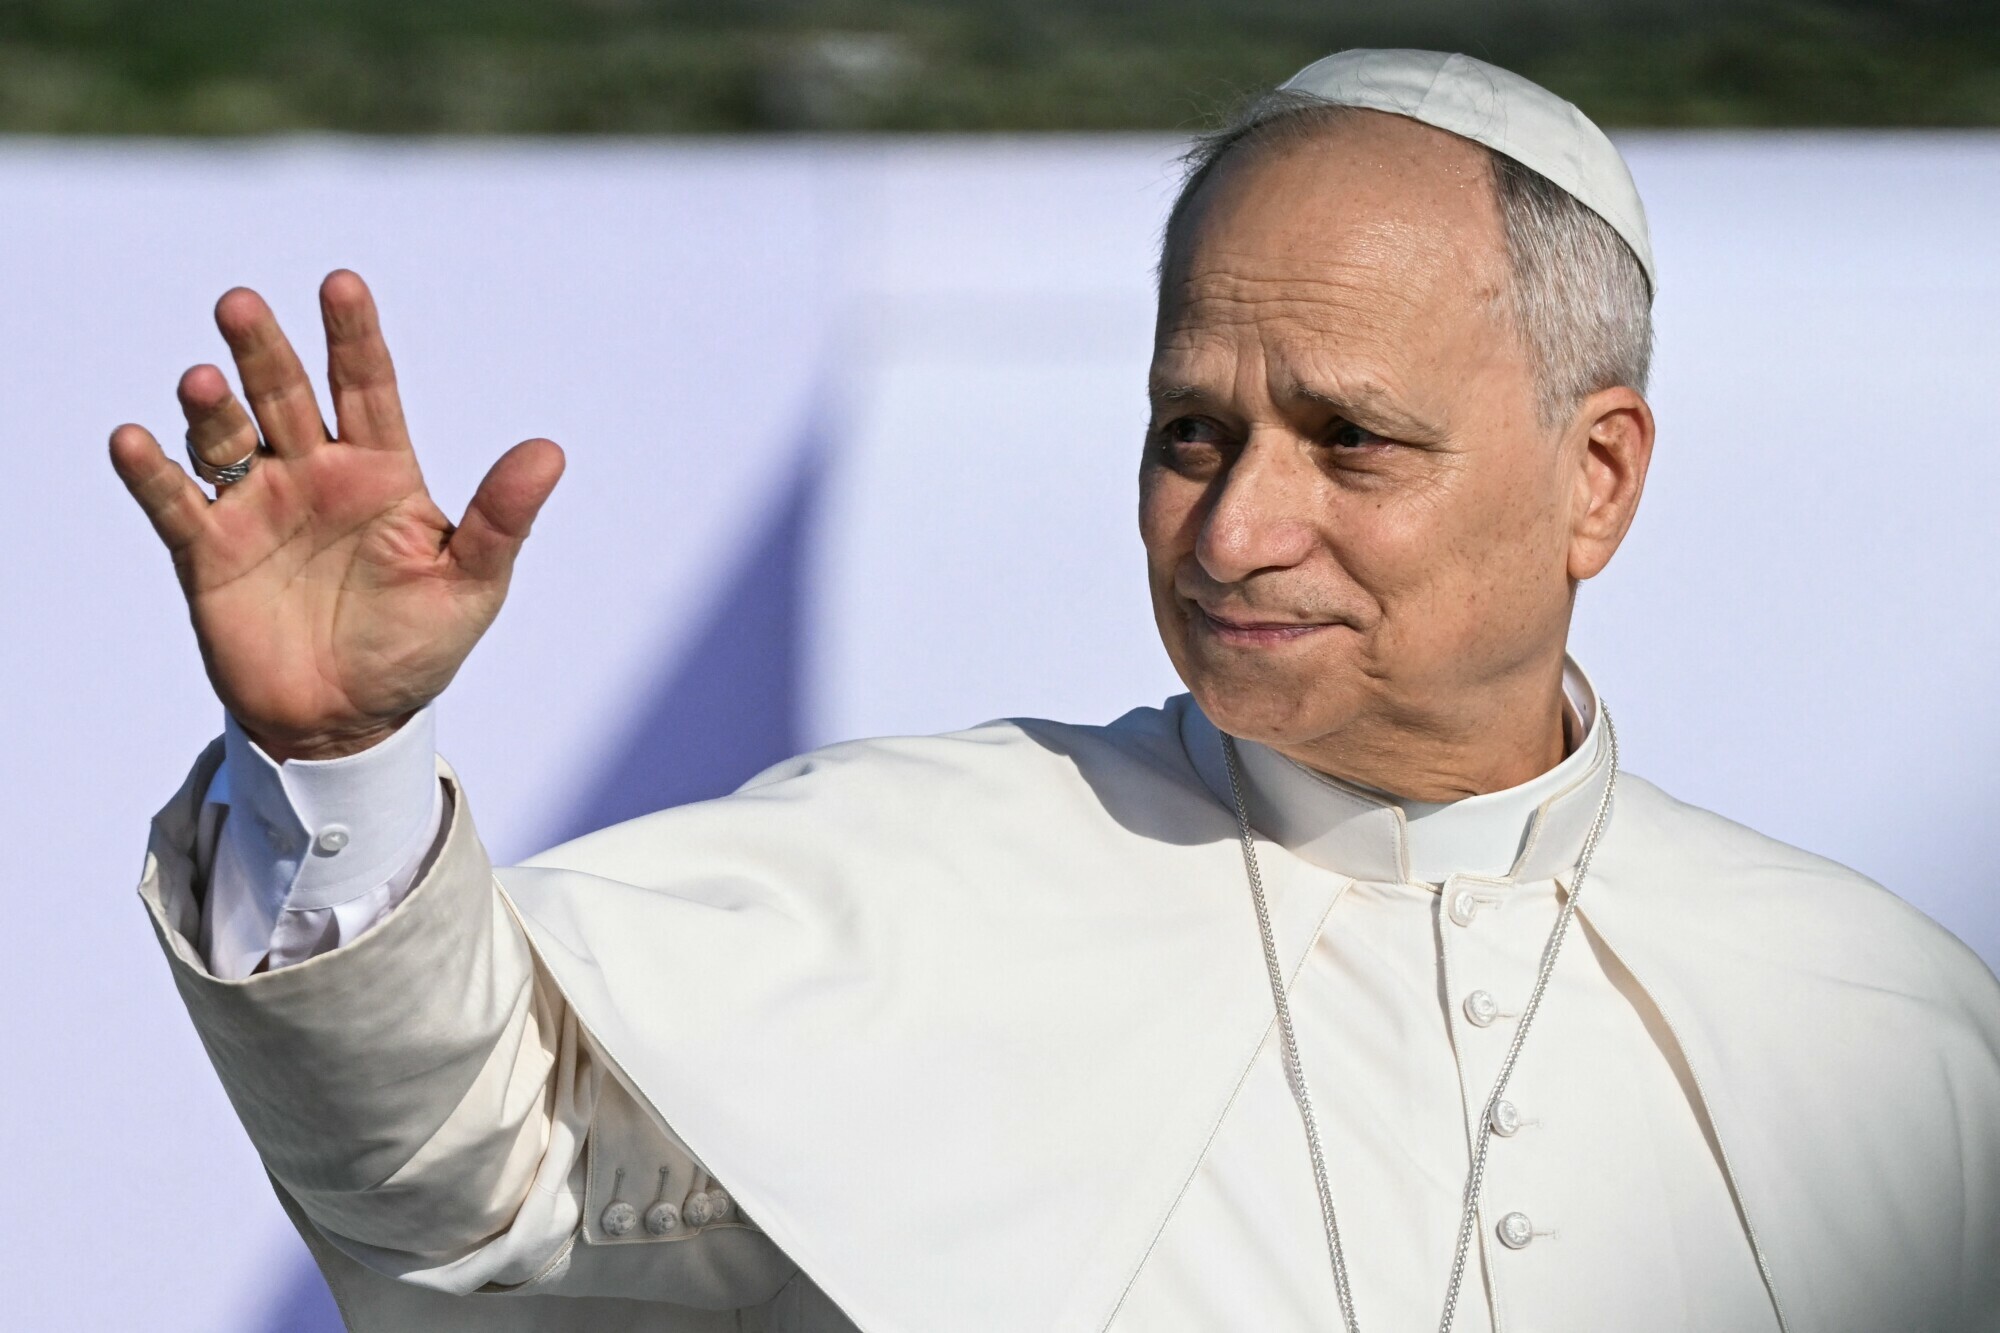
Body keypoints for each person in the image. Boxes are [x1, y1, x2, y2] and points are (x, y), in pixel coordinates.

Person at [110, 49, 2000, 1333]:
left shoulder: (1887, 1029)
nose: (1242, 526)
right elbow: (469, 1207)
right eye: (1196, 428)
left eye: (1352, 442)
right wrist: (337, 758)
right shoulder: (917, 870)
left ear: (1598, 475)